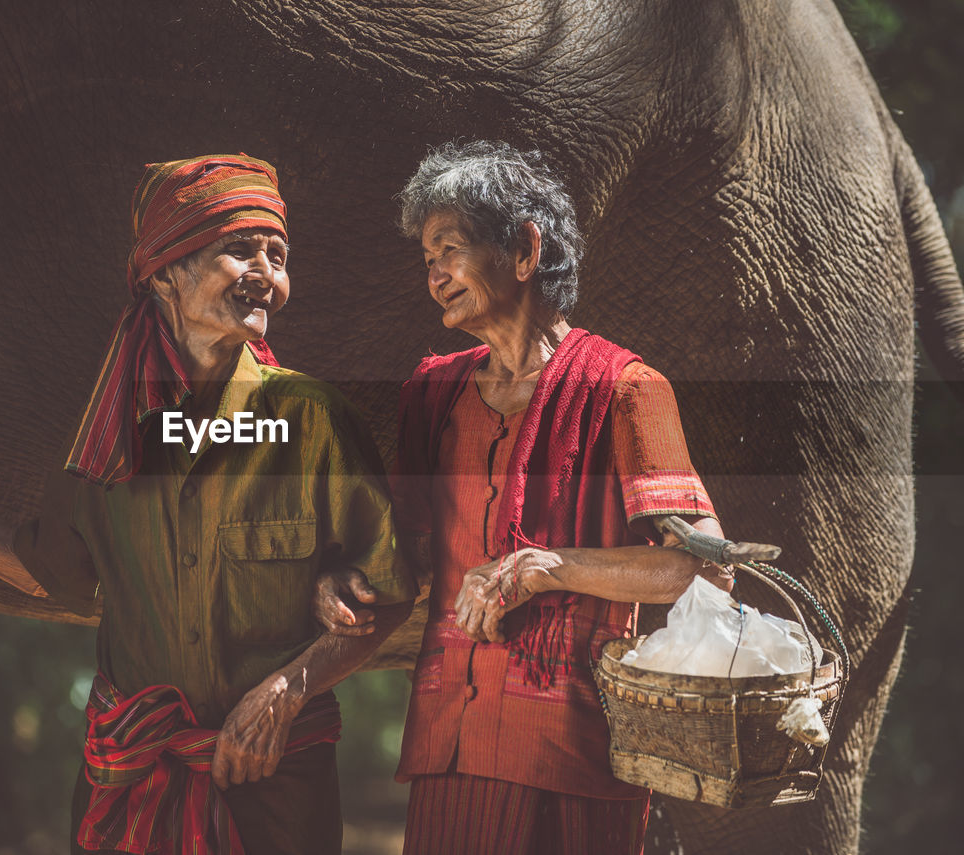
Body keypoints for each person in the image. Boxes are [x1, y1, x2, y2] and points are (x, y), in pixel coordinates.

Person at [0, 154, 417, 855]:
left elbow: (391, 592)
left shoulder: (314, 420)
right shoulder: (108, 437)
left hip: (280, 796)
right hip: (129, 788)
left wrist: (287, 688)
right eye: (238, 249)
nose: (267, 273)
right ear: (165, 274)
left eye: (277, 255)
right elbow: (45, 570)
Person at [314, 140, 732, 855]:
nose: (436, 274)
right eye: (427, 260)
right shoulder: (433, 392)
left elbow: (704, 567)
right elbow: (409, 556)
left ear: (525, 250)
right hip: (449, 742)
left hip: (573, 750)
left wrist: (547, 565)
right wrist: (347, 579)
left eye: (450, 248)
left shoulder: (627, 388)